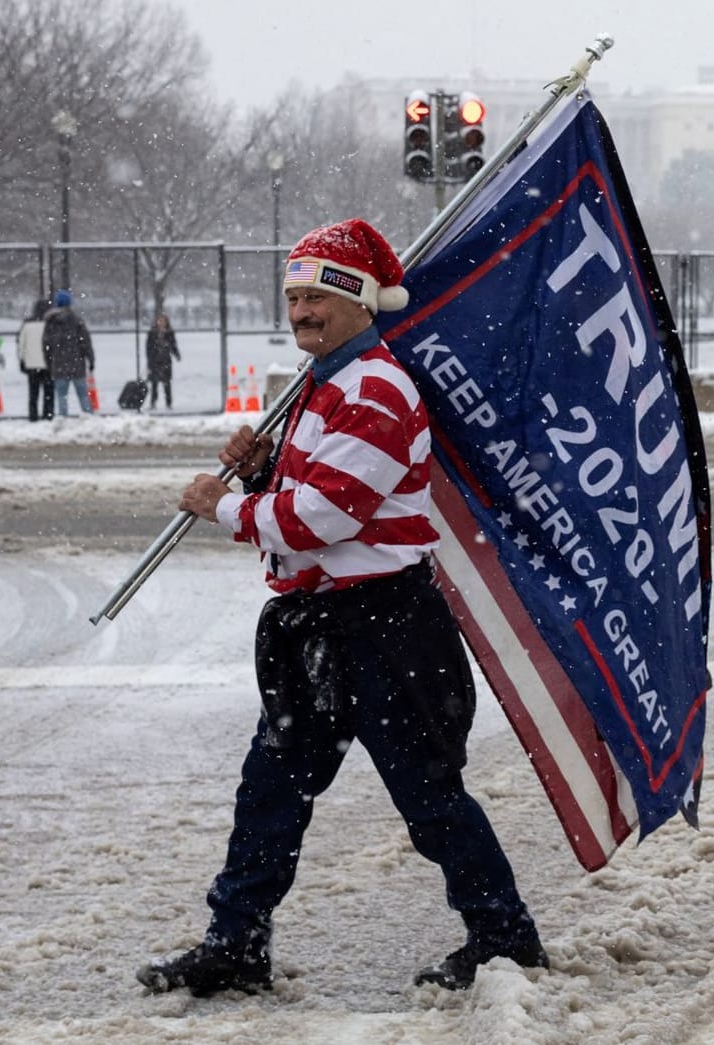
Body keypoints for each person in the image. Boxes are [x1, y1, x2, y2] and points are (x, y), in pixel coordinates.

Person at [139, 218, 545, 998]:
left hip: (386, 626)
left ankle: (505, 939)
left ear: (360, 300)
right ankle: (236, 943)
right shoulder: (324, 385)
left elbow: (324, 520)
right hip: (318, 627)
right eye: (293, 296)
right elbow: (303, 507)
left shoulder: (377, 389)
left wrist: (221, 506)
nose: (301, 312)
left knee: (429, 797)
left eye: (318, 296)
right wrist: (262, 477)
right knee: (271, 788)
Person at [42, 289, 94, 416]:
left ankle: (63, 419)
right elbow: (86, 342)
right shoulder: (76, 321)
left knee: (61, 396)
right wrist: (90, 359)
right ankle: (89, 417)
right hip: (77, 364)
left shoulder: (51, 322)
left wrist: (49, 361)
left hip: (59, 364)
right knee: (83, 395)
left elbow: (46, 344)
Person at [17, 298, 54, 421]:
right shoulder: (51, 324)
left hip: (32, 364)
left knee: (33, 393)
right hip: (48, 364)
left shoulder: (27, 324)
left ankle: (33, 417)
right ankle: (47, 415)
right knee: (48, 393)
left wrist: (21, 359)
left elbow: (21, 344)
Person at [145, 312, 182, 410]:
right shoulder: (152, 333)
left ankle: (168, 403)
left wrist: (176, 354)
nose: (161, 323)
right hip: (155, 361)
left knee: (167, 383)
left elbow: (173, 345)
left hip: (166, 361)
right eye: (159, 321)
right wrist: (150, 359)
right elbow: (148, 348)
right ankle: (153, 403)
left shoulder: (169, 333)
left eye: (163, 321)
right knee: (154, 383)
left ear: (166, 322)